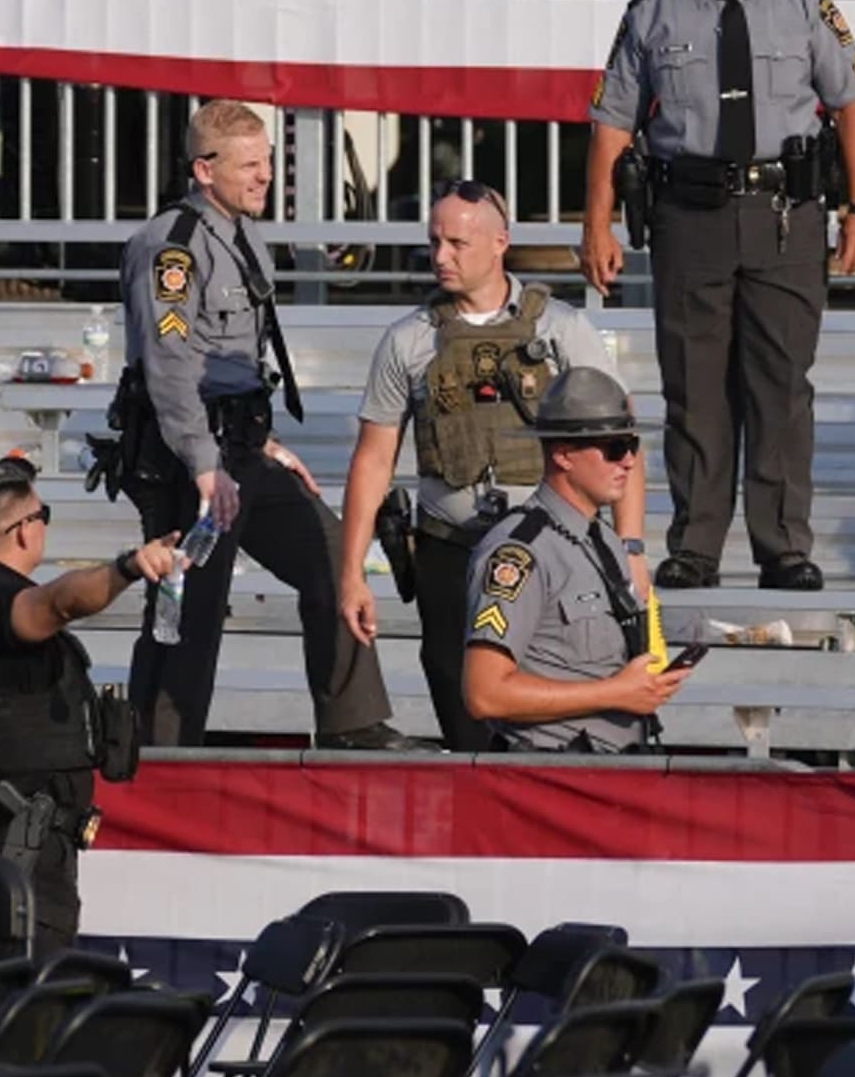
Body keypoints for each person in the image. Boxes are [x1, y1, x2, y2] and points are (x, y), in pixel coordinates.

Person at [581, 0, 855, 593]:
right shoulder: (651, 14)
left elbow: (853, 104)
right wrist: (597, 222)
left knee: (780, 385)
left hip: (788, 214)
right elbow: (612, 122)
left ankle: (784, 546)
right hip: (691, 217)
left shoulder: (803, 2)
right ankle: (697, 547)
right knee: (696, 387)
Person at [113, 99, 417, 749]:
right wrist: (203, 466)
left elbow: (236, 365)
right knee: (187, 607)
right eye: (248, 164)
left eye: (269, 162)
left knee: (333, 554)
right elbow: (170, 372)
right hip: (187, 458)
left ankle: (353, 723)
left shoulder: (244, 232)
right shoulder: (174, 248)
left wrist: (264, 442)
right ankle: (159, 755)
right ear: (203, 169)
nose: (264, 176)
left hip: (243, 447)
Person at [339, 181, 650, 753]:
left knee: (553, 722)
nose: (440, 257)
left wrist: (631, 550)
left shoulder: (561, 329)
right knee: (465, 723)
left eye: (457, 242)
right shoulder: (408, 341)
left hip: (551, 554)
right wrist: (352, 570)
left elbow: (622, 440)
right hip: (449, 547)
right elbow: (374, 458)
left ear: (500, 242)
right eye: (435, 241)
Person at [0, 457, 176, 954]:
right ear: (23, 531)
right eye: (44, 515)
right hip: (20, 852)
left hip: (16, 846)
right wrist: (128, 567)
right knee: (23, 1008)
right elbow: (58, 603)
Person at [462, 368, 692, 752]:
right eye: (615, 448)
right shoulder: (519, 554)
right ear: (565, 455)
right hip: (550, 778)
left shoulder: (603, 540)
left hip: (612, 770)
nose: (630, 462)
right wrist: (613, 693)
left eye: (633, 446)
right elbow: (485, 694)